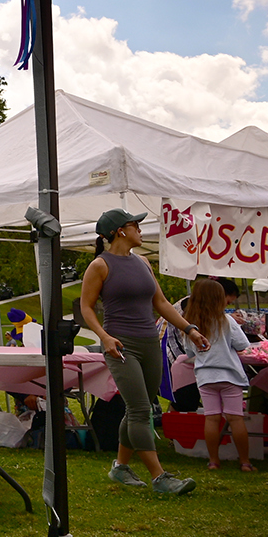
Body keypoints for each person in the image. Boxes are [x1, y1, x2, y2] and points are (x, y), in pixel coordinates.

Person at [77, 209, 205, 498]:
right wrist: (104, 337)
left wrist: (189, 329)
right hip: (121, 345)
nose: (140, 230)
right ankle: (159, 476)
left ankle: (120, 467)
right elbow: (86, 307)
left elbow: (161, 302)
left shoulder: (143, 262)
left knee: (139, 407)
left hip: (149, 343)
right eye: (135, 225)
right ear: (120, 231)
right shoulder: (99, 265)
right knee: (140, 410)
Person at [168, 277, 255, 471]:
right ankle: (245, 462)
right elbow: (243, 345)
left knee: (211, 419)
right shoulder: (227, 321)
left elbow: (189, 352)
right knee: (235, 418)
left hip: (205, 377)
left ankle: (213, 461)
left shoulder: (190, 327)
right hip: (230, 376)